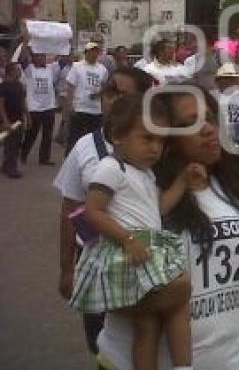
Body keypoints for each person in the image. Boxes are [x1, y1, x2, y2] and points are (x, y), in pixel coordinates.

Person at [97, 87, 239, 370]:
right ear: (165, 138)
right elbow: (106, 287)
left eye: (210, 118)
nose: (208, 129)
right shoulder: (139, 200)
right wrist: (170, 297)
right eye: (190, 124)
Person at [68, 94, 193, 370]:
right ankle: (184, 366)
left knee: (147, 324)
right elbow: (93, 210)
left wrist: (183, 181)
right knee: (181, 294)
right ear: (118, 136)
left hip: (142, 248)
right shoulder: (112, 168)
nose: (155, 148)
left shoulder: (145, 173)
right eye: (147, 138)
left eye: (160, 141)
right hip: (125, 251)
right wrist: (127, 240)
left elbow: (160, 207)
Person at [55, 67, 156, 357]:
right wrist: (66, 270)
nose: (112, 101)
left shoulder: (157, 149)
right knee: (101, 346)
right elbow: (69, 209)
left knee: (144, 342)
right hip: (95, 264)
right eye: (110, 93)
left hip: (146, 263)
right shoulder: (84, 147)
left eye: (124, 95)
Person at [19, 45, 60, 166]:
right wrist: (26, 44)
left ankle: (44, 158)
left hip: (49, 107)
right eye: (39, 56)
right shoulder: (29, 69)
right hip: (34, 108)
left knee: (47, 135)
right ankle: (23, 154)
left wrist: (64, 44)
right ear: (33, 58)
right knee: (31, 134)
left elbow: (63, 59)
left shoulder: (50, 68)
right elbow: (22, 59)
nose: (42, 58)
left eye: (43, 56)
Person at [66, 42, 109, 153]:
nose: (94, 54)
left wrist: (102, 102)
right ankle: (70, 156)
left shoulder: (102, 69)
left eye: (96, 52)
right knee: (75, 137)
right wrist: (70, 105)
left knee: (95, 138)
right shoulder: (77, 66)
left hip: (95, 109)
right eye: (92, 51)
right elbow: (71, 87)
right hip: (80, 108)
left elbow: (104, 89)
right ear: (86, 53)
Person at [0, 63, 28, 178]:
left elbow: (23, 102)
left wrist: (28, 117)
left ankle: (6, 166)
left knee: (16, 144)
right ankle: (12, 169)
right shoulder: (3, 86)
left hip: (19, 120)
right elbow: (1, 105)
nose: (19, 72)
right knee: (11, 144)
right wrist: (5, 121)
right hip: (8, 120)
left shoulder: (20, 85)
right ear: (11, 71)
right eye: (17, 70)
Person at [54, 54, 74, 146]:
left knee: (65, 117)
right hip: (63, 95)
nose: (71, 58)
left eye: (72, 57)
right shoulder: (62, 68)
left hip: (72, 95)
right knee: (67, 119)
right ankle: (66, 140)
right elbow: (55, 81)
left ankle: (60, 136)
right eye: (69, 56)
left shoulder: (75, 68)